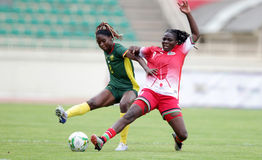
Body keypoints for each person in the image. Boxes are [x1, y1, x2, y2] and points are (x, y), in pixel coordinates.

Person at [90, 0, 200, 151]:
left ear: (176, 42)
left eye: (169, 39)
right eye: (164, 38)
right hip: (150, 94)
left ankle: (177, 139)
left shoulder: (181, 51)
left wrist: (188, 13)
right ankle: (102, 140)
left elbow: (195, 34)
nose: (165, 41)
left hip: (169, 98)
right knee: (129, 115)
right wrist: (135, 49)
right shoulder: (152, 50)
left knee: (184, 134)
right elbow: (134, 51)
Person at [55, 22, 155, 151]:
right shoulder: (106, 50)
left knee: (124, 104)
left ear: (111, 39)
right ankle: (65, 115)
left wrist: (147, 68)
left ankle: (123, 143)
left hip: (129, 88)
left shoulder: (118, 48)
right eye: (99, 43)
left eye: (104, 41)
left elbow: (136, 56)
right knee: (92, 102)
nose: (102, 45)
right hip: (113, 87)